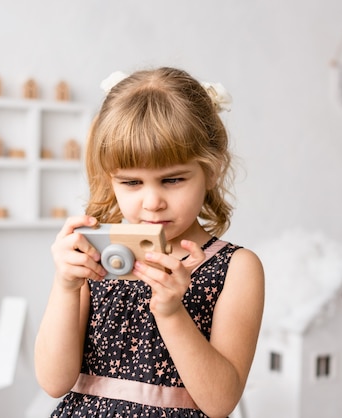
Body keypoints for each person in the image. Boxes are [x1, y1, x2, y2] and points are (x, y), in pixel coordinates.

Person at [34, 67, 264, 418]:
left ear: (212, 170)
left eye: (172, 179)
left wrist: (171, 312)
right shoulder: (94, 255)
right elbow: (53, 381)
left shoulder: (235, 268)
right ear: (109, 178)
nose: (152, 201)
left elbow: (220, 404)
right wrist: (66, 285)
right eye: (131, 183)